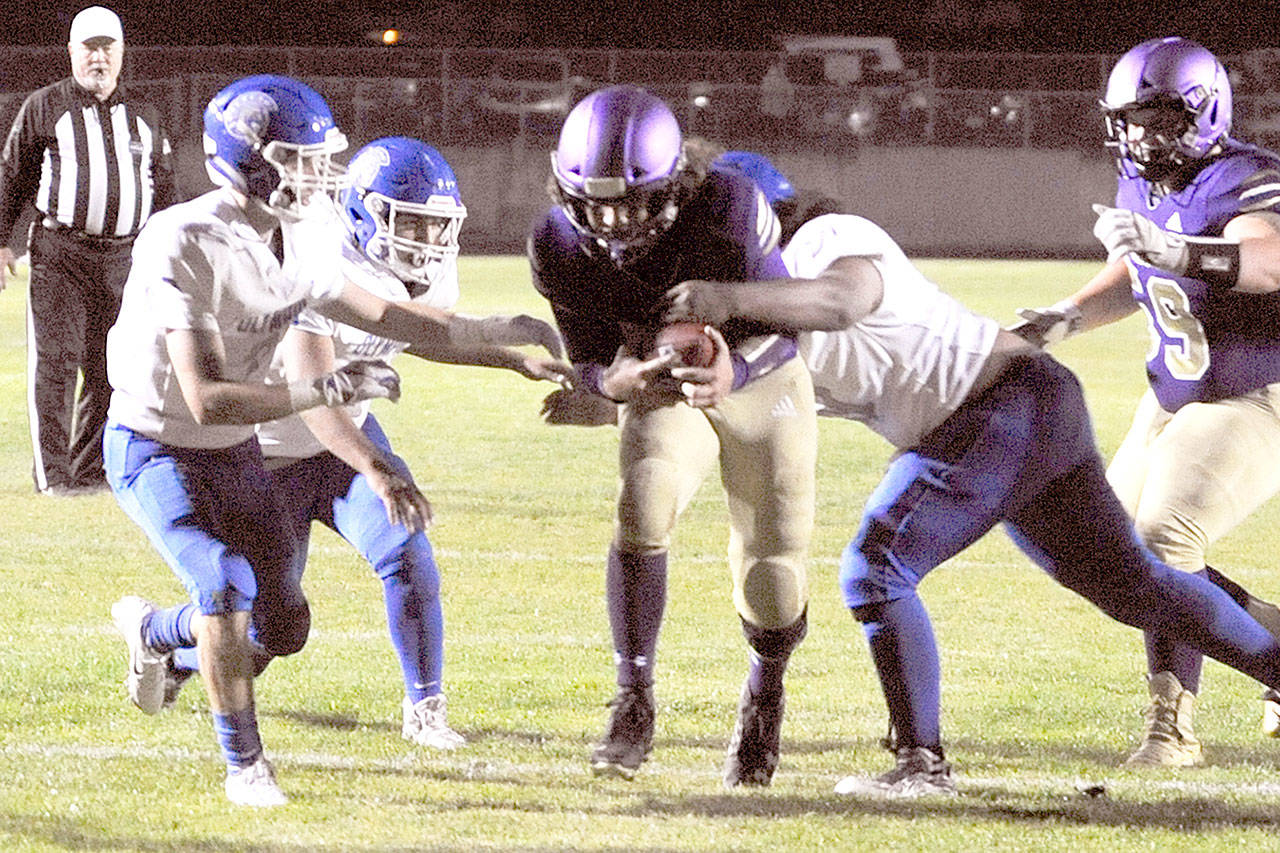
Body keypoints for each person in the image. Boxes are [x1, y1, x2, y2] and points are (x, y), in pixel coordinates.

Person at [663, 155, 1280, 799]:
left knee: (877, 569)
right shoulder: (753, 315)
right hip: (1016, 409)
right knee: (1133, 585)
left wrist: (729, 298)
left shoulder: (826, 239)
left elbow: (839, 302)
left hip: (997, 407)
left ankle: (919, 764)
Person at [105, 75, 567, 807]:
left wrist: (502, 344)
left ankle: (157, 632)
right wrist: (334, 398)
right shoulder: (184, 239)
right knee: (227, 586)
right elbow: (209, 397)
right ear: (249, 161)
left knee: (283, 625)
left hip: (239, 449)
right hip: (162, 440)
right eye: (300, 159)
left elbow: (392, 316)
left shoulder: (310, 232)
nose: (319, 175)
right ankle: (245, 766)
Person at [528, 85, 817, 788]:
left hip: (760, 377)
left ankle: (765, 690)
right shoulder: (558, 244)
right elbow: (594, 356)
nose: (613, 221)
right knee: (642, 500)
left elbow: (793, 327)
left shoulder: (726, 209)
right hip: (667, 380)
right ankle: (633, 695)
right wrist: (609, 382)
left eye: (631, 201)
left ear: (674, 185)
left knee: (772, 575)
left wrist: (736, 366)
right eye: (595, 204)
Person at [1013, 36, 1280, 768]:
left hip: (1254, 391)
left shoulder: (1248, 177)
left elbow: (1267, 261)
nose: (1144, 136)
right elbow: (1133, 274)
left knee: (1165, 539)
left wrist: (1175, 250)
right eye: (1132, 120)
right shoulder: (1147, 185)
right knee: (1106, 555)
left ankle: (1172, 725)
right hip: (1170, 397)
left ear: (1206, 112)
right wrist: (1057, 319)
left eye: (1162, 119)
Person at [0, 5, 177, 495]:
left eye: (107, 47)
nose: (98, 57)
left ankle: (91, 470)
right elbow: (11, 175)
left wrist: (170, 252)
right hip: (61, 252)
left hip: (125, 258)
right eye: (88, 47)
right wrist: (1, 242)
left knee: (112, 366)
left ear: (121, 53)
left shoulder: (146, 114)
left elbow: (163, 190)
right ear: (72, 52)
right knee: (56, 363)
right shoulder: (44, 106)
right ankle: (53, 477)